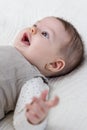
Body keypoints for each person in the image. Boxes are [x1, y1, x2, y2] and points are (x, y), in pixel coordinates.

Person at [0, 16, 84, 130]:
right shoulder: (7, 49)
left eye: (45, 34)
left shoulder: (33, 80)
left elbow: (23, 123)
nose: (33, 30)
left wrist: (34, 117)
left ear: (54, 65)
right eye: (35, 25)